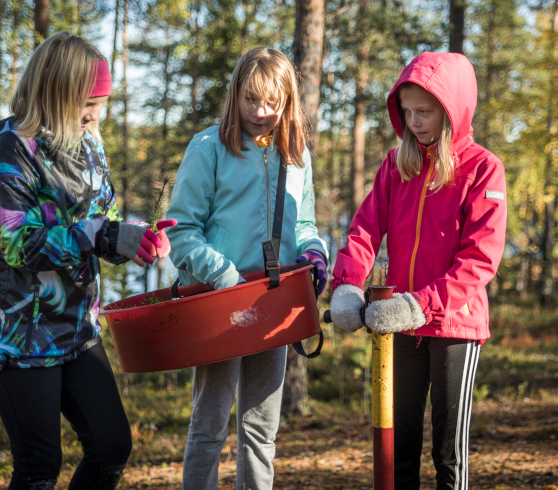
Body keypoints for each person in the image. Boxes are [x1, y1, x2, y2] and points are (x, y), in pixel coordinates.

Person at [0, 32, 175, 490]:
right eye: (86, 102)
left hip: (78, 330)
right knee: (39, 469)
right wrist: (102, 234)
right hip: (18, 336)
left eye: (100, 103)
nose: (94, 115)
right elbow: (19, 245)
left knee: (111, 447)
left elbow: (103, 222)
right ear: (54, 92)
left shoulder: (89, 144)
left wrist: (134, 240)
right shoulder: (8, 153)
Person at [329, 52, 507, 489]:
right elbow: (365, 230)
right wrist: (347, 285)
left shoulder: (484, 168)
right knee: (398, 450)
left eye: (424, 111)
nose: (414, 121)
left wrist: (421, 305)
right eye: (406, 112)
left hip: (455, 326)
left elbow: (479, 259)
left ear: (452, 109)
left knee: (447, 454)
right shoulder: (396, 165)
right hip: (400, 325)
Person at [166, 47, 328, 490]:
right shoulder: (208, 148)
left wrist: (315, 253)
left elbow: (306, 223)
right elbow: (180, 231)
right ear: (235, 94)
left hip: (274, 304)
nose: (260, 112)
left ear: (287, 102)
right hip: (220, 305)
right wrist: (223, 276)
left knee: (261, 430)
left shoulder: (296, 154)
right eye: (250, 100)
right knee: (210, 425)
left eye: (272, 103)